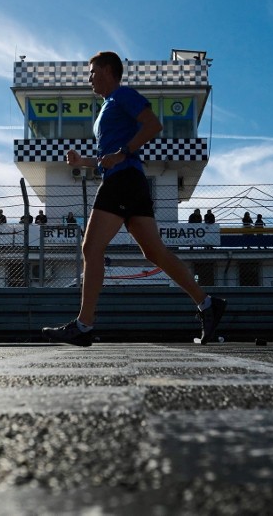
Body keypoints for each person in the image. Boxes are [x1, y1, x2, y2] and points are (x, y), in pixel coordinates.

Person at [42, 50, 226, 347]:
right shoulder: (105, 108)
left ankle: (84, 325)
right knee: (155, 253)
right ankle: (207, 304)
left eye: (91, 73)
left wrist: (123, 153)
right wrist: (82, 162)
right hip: (128, 180)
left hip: (123, 181)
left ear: (107, 71)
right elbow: (108, 159)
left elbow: (153, 125)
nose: (89, 79)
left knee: (91, 247)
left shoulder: (122, 96)